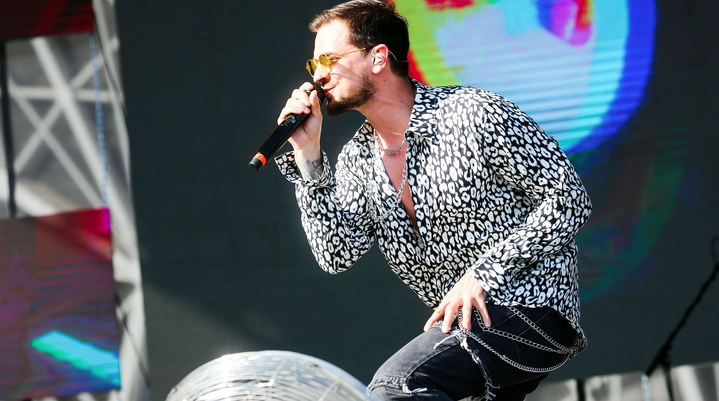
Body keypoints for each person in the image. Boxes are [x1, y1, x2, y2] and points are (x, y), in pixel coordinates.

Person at [274, 1, 592, 400]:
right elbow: (335, 254)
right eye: (313, 64)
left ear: (378, 58)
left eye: (329, 59)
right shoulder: (358, 158)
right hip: (467, 326)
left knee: (395, 387)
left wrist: (482, 275)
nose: (318, 74)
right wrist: (308, 155)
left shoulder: (472, 113)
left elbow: (569, 199)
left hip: (531, 307)